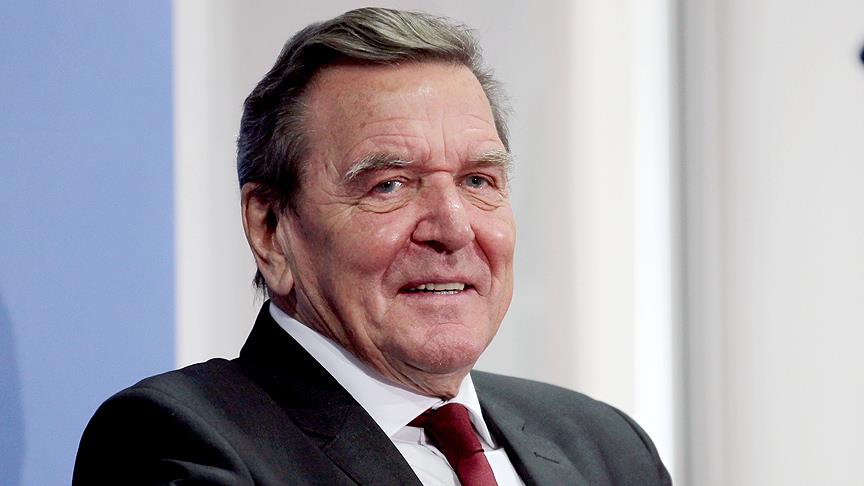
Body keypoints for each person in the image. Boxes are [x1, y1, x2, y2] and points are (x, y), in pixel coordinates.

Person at [73, 7, 671, 485]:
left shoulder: (606, 447)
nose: (453, 228)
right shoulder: (173, 440)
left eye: (477, 181)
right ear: (270, 229)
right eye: (390, 185)